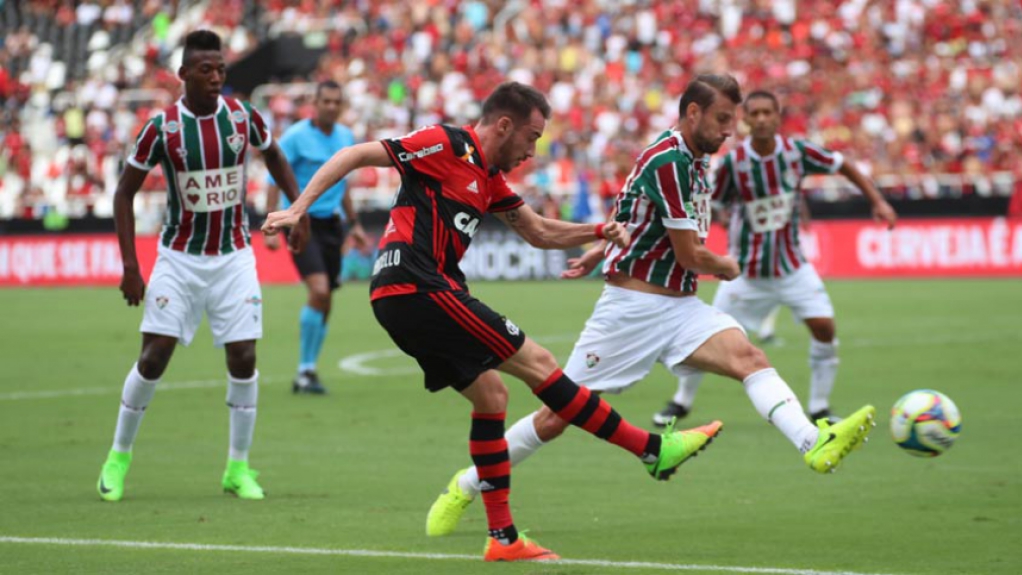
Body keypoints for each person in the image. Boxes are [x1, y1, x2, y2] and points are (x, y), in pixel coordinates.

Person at [263, 81, 723, 562]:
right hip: (416, 286)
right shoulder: (445, 144)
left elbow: (540, 232)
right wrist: (298, 209)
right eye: (532, 136)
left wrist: (595, 230)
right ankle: (650, 450)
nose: (533, 149)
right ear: (504, 125)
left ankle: (503, 540)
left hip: (415, 294)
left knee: (492, 395)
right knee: (540, 362)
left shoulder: (489, 178)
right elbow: (356, 155)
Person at [424, 75, 879, 540]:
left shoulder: (691, 159)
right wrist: (723, 264)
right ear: (694, 113)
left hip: (680, 306)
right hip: (632, 310)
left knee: (750, 359)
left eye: (733, 121)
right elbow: (688, 254)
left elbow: (631, 211)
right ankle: (464, 485)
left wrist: (602, 249)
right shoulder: (669, 160)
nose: (730, 130)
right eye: (723, 119)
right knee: (556, 417)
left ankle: (812, 441)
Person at [96, 30, 309, 503]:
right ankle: (118, 456)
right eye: (206, 70)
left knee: (245, 357)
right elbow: (123, 192)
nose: (216, 78)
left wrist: (297, 208)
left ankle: (237, 468)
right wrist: (131, 266)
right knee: (154, 357)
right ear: (184, 74)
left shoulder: (242, 117)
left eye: (221, 70)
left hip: (234, 256)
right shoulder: (162, 128)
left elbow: (273, 152)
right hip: (179, 258)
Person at [652, 90, 898, 427]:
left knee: (825, 328)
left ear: (778, 117)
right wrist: (720, 220)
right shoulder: (734, 164)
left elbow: (844, 166)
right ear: (746, 120)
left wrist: (878, 201)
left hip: (792, 267)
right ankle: (681, 401)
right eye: (756, 113)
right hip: (746, 273)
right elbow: (715, 203)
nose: (763, 119)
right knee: (705, 339)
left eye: (769, 112)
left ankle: (820, 407)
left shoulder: (797, 152)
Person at [264, 80, 368, 394]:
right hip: (301, 225)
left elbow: (343, 186)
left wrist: (355, 224)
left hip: (332, 226)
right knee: (320, 290)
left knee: (326, 298)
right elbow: (273, 179)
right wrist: (271, 223)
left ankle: (309, 368)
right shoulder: (296, 136)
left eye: (338, 102)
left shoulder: (346, 137)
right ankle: (304, 371)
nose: (332, 107)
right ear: (316, 103)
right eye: (327, 102)